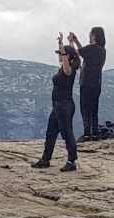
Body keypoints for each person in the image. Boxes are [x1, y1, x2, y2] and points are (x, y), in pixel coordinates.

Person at [35, 36, 81, 172]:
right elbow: (64, 63)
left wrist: (64, 51)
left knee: (67, 133)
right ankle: (45, 159)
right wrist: (62, 44)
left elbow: (67, 70)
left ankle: (71, 161)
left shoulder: (70, 69)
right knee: (51, 132)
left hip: (65, 105)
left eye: (61, 55)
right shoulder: (64, 67)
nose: (59, 57)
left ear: (68, 57)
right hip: (58, 105)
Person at [68, 29, 107, 138]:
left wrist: (71, 42)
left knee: (85, 108)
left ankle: (87, 132)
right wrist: (77, 41)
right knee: (94, 108)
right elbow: (84, 52)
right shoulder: (102, 50)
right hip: (97, 82)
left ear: (94, 36)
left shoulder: (92, 48)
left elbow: (77, 52)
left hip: (87, 82)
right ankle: (94, 131)